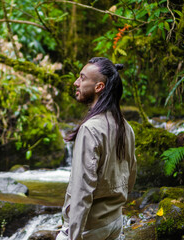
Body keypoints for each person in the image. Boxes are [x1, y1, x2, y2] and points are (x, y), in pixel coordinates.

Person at [56, 57, 137, 240]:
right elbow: (131, 175)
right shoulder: (126, 127)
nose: (76, 83)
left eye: (82, 78)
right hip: (115, 223)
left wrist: (73, 235)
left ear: (99, 87)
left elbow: (82, 189)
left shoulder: (90, 129)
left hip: (88, 229)